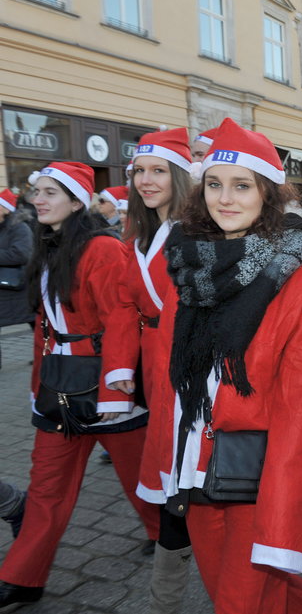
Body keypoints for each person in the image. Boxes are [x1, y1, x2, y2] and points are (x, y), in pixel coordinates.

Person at [156, 118, 302, 614]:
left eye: (241, 186)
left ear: (268, 193)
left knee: (238, 600)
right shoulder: (188, 259)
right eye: (214, 184)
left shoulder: (299, 269)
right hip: (194, 459)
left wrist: (287, 495)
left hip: (258, 466)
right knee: (241, 591)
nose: (225, 198)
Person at [0, 162, 159, 608]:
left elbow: (121, 322)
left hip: (107, 384)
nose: (38, 200)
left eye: (51, 192)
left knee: (138, 477)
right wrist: (36, 387)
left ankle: (164, 533)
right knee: (47, 484)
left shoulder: (102, 249)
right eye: (36, 192)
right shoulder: (49, 244)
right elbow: (44, 328)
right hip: (59, 385)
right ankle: (22, 578)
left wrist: (116, 391)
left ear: (76, 201)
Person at [102, 127, 196, 614]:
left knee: (193, 480)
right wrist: (119, 368)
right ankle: (166, 598)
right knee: (172, 482)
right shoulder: (135, 234)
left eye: (158, 170)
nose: (145, 180)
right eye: (139, 171)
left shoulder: (199, 229)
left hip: (193, 367)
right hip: (155, 364)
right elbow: (122, 304)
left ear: (179, 176)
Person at [0, 189, 34, 370]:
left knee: (35, 322)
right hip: (3, 288)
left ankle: (44, 356)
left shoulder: (20, 227)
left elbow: (21, 254)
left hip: (17, 288)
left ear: (5, 209)